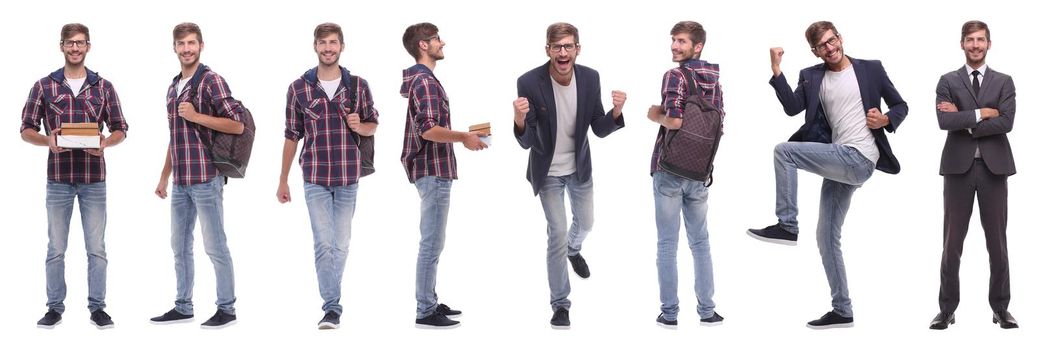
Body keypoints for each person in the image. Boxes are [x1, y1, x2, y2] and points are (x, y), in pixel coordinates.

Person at [747, 21, 908, 329]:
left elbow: (901, 104)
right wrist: (777, 70)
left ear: (840, 38)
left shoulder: (871, 69)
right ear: (815, 51)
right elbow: (793, 108)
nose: (830, 48)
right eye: (822, 46)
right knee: (825, 237)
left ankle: (786, 224)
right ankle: (843, 310)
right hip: (838, 158)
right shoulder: (811, 76)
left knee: (784, 151)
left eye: (832, 41)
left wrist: (885, 118)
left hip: (859, 157)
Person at [512, 22, 625, 329]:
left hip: (579, 168)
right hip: (547, 171)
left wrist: (616, 113)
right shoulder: (529, 81)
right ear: (547, 50)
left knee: (586, 222)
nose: (563, 53)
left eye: (568, 46)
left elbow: (598, 128)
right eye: (556, 47)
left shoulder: (590, 78)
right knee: (557, 234)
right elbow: (528, 141)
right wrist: (520, 120)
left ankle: (575, 250)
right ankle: (560, 304)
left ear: (578, 49)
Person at [21, 23, 128, 330]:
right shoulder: (44, 86)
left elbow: (121, 127)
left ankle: (97, 308)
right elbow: (26, 129)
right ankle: (54, 308)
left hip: (95, 179)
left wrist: (107, 142)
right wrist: (47, 141)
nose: (75, 48)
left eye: (80, 43)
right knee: (56, 248)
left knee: (96, 248)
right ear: (62, 46)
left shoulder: (104, 87)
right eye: (70, 43)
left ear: (88, 46)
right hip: (59, 179)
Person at [277, 22, 379, 330]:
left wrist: (358, 125)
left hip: (349, 176)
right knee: (323, 243)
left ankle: (332, 302)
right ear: (315, 47)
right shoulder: (299, 87)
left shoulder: (358, 85)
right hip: (315, 176)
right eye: (322, 43)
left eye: (333, 42)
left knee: (342, 244)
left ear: (342, 47)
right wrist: (282, 179)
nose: (328, 48)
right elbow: (291, 135)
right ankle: (332, 308)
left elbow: (373, 125)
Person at [151, 22, 245, 330]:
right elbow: (174, 136)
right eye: (182, 44)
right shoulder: (172, 86)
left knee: (215, 245)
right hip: (181, 182)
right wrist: (164, 176)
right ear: (174, 48)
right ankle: (183, 306)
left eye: (192, 43)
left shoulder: (211, 81)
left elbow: (237, 125)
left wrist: (195, 116)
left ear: (201, 45)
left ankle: (227, 309)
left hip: (206, 178)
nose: (187, 48)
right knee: (179, 246)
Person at [930, 20, 1018, 330]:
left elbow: (1006, 122)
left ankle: (1001, 308)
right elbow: (943, 120)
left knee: (997, 243)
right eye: (970, 40)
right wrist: (983, 113)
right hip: (957, 168)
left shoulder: (1004, 81)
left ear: (989, 44)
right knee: (952, 243)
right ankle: (946, 309)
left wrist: (964, 119)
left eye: (981, 40)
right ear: (962, 44)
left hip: (995, 168)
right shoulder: (948, 80)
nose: (976, 45)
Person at [401, 22, 487, 329]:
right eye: (437, 39)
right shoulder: (425, 82)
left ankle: (430, 300)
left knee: (434, 240)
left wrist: (465, 137)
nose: (442, 43)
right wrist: (465, 136)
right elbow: (427, 130)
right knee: (432, 242)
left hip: (433, 169)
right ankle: (425, 310)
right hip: (432, 169)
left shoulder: (424, 80)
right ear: (423, 45)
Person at [645, 20, 723, 329]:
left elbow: (674, 122)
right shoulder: (714, 81)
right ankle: (707, 311)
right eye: (673, 40)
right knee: (700, 242)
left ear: (697, 46)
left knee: (667, 243)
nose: (675, 46)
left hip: (669, 171)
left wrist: (655, 115)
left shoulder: (675, 76)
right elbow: (719, 125)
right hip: (699, 172)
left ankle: (670, 313)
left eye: (681, 41)